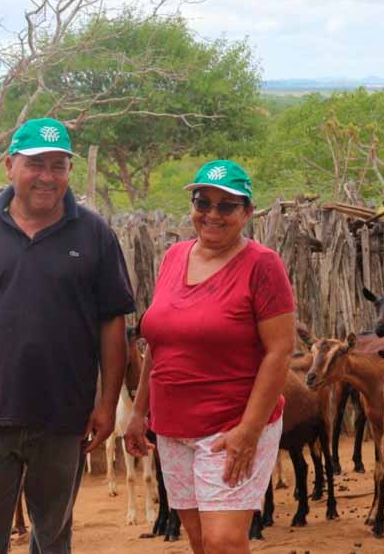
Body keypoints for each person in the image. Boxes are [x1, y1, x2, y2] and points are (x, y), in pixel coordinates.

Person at [0, 117, 135, 554]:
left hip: (65, 419)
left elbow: (113, 324)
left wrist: (106, 402)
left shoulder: (94, 234)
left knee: (54, 538)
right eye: (35, 163)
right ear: (9, 166)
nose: (47, 176)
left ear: (69, 171)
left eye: (58, 165)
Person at [124, 159, 295, 554]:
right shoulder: (174, 257)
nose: (212, 215)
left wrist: (249, 431)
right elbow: (159, 342)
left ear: (247, 212)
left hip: (230, 424)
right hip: (173, 427)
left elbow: (279, 351)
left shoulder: (262, 265)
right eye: (203, 203)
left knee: (224, 543)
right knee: (201, 542)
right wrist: (138, 413)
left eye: (226, 206)